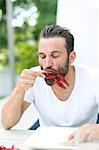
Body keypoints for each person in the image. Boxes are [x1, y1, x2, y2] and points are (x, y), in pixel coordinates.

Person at [1, 25, 99, 143]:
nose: (47, 63)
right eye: (42, 56)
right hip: (46, 139)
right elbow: (7, 123)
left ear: (71, 57)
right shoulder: (35, 78)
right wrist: (19, 89)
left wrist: (95, 130)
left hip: (83, 141)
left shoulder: (93, 78)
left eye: (55, 55)